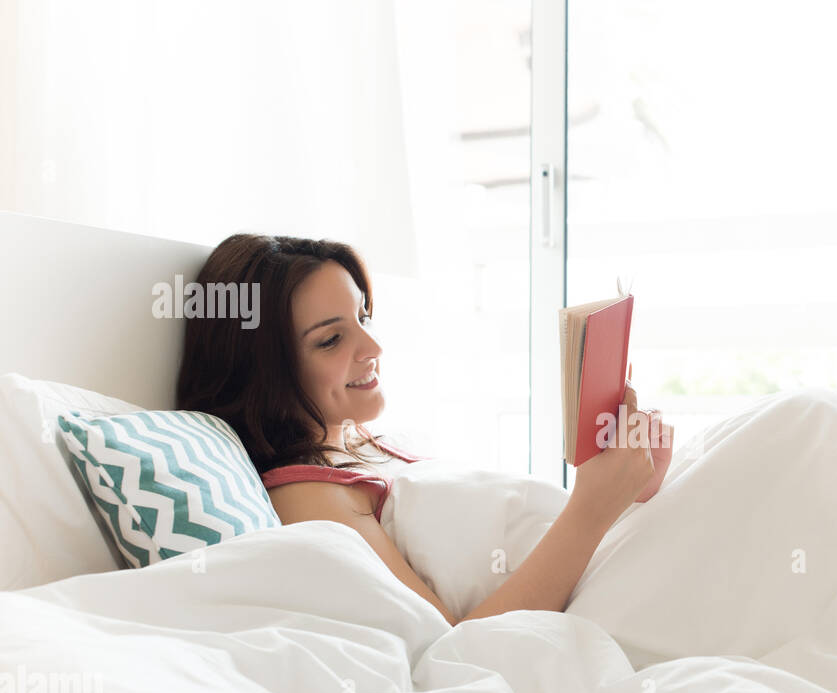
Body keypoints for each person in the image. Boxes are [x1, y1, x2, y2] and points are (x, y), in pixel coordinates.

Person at [176, 234, 672, 626]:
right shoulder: (307, 496)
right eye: (331, 339)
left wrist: (632, 491)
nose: (373, 347)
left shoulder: (373, 446)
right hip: (608, 605)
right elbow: (453, 648)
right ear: (262, 369)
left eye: (364, 316)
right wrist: (591, 509)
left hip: (620, 573)